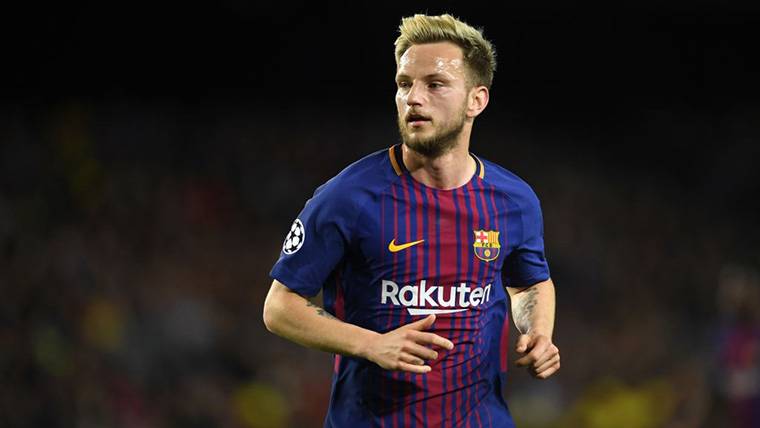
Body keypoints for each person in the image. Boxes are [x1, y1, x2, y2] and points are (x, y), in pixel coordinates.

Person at [263, 13, 560, 427]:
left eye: (435, 84)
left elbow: (529, 282)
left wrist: (538, 333)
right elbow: (279, 307)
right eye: (404, 84)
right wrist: (371, 344)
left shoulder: (514, 200)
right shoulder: (348, 197)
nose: (413, 98)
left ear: (476, 100)